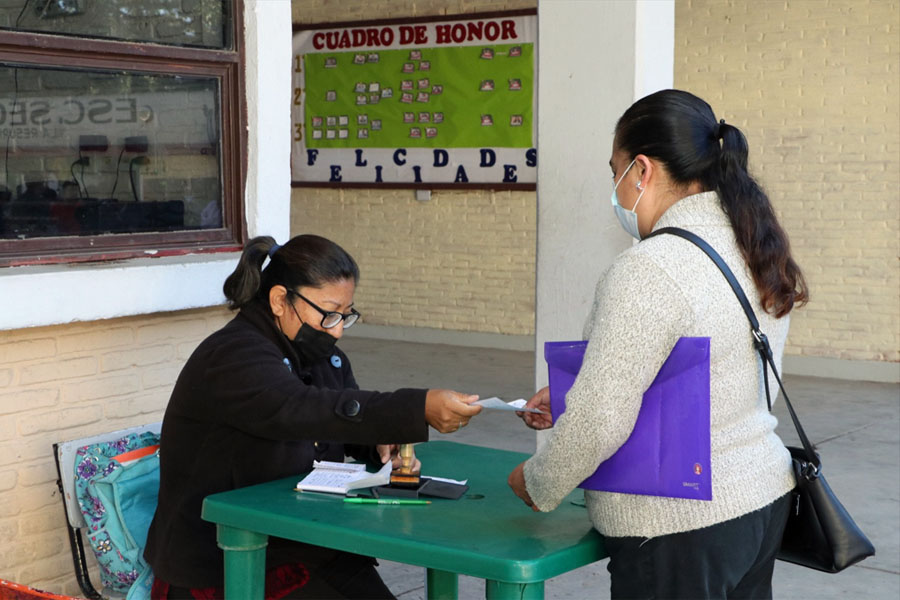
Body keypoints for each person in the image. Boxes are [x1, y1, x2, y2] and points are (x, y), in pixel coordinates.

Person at [508, 89, 809, 599]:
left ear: (641, 171)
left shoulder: (650, 268)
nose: (616, 190)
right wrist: (572, 396)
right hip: (761, 499)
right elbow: (728, 377)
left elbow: (601, 418)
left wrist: (539, 481)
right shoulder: (753, 244)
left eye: (615, 172)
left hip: (678, 524)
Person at [144, 234, 482, 599]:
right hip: (225, 559)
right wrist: (416, 408)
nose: (336, 329)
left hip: (307, 541)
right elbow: (299, 408)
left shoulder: (323, 356)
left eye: (345, 315)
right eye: (328, 313)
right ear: (279, 300)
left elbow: (340, 423)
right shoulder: (233, 355)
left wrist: (381, 446)